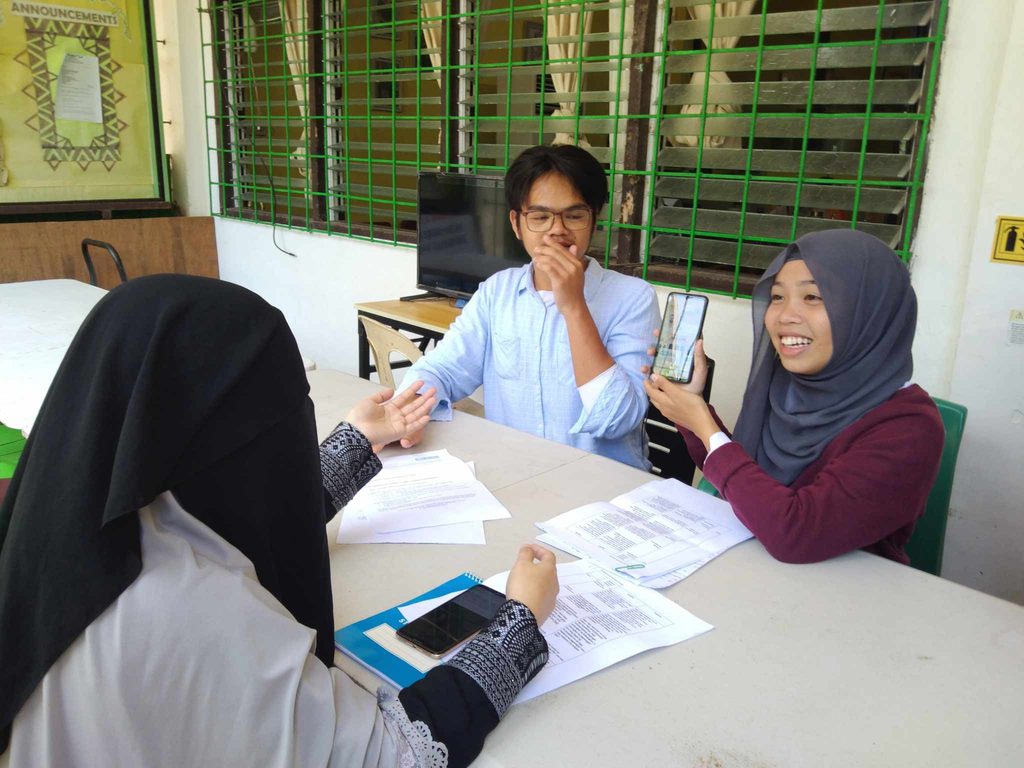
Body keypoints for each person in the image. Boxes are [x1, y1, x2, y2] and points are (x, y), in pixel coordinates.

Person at [0, 274, 558, 768]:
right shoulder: (193, 612)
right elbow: (395, 754)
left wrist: (357, 440)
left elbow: (248, 515)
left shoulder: (67, 514)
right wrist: (519, 623)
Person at [644, 229, 944, 565]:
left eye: (812, 297)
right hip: (757, 569)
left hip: (847, 588)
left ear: (871, 312)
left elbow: (796, 533)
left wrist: (704, 426)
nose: (785, 316)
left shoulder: (910, 427)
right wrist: (691, 410)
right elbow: (747, 482)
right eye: (776, 297)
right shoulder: (789, 389)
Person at [401, 145, 661, 470]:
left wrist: (574, 307)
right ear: (516, 223)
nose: (557, 230)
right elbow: (443, 371)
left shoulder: (633, 298)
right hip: (515, 474)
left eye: (574, 216)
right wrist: (404, 412)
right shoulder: (497, 292)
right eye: (539, 217)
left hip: (603, 483)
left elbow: (616, 419)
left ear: (595, 220)